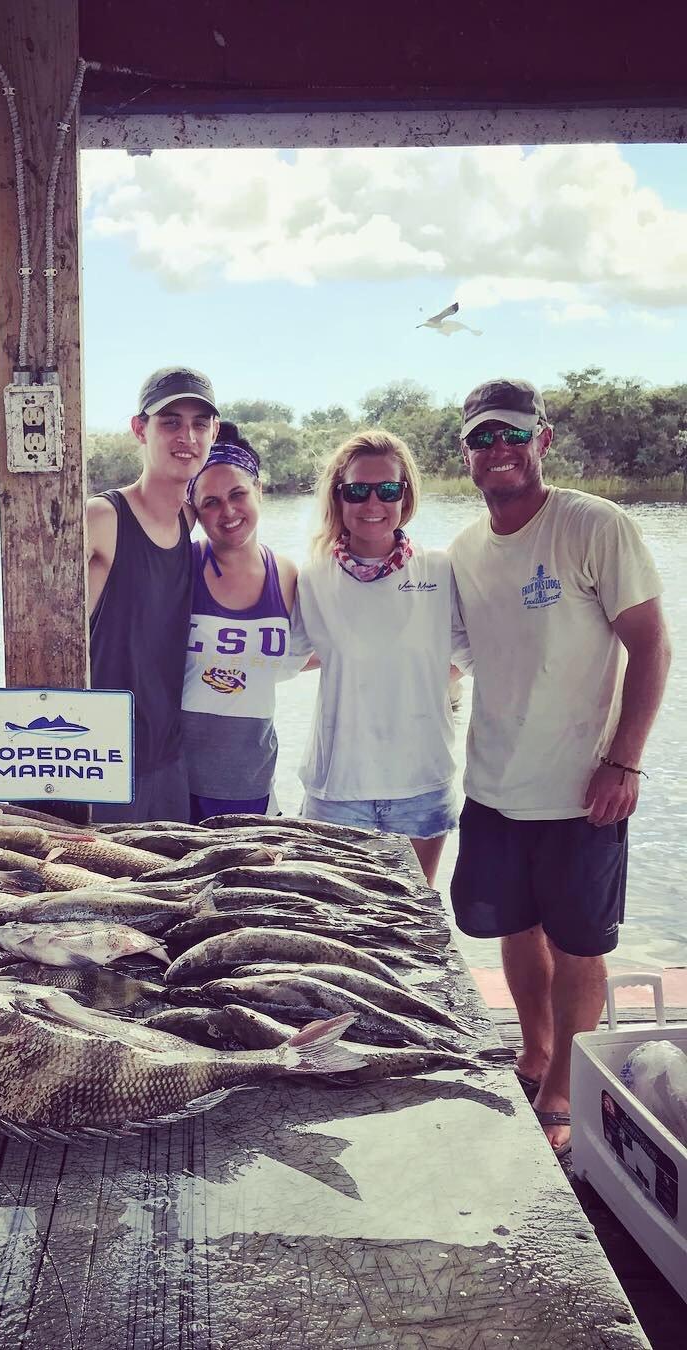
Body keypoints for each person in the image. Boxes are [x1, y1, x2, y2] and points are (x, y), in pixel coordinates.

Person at [449, 377, 671, 1156]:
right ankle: (536, 1054)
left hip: (585, 790)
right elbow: (455, 655)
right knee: (513, 925)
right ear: (467, 453)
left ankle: (565, 1089)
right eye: (482, 437)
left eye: (513, 433)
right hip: (494, 786)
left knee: (581, 943)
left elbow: (652, 644)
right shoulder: (467, 550)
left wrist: (625, 761)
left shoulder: (592, 525)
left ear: (542, 439)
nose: (498, 448)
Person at [295, 429, 457, 884]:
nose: (372, 504)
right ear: (338, 497)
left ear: (405, 496)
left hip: (421, 785)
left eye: (388, 489)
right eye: (356, 491)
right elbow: (286, 659)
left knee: (414, 925)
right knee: (332, 925)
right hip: (337, 790)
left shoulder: (441, 569)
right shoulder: (311, 579)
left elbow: (471, 653)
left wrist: (418, 681)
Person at [87, 366, 220, 823]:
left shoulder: (191, 520)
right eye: (170, 422)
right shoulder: (101, 519)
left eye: (199, 424)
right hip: (102, 762)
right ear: (140, 429)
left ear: (213, 432)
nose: (186, 436)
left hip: (168, 761)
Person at [181, 434, 304, 823]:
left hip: (253, 778)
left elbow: (300, 655)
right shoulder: (180, 567)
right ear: (194, 512)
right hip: (179, 780)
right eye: (210, 502)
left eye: (238, 494)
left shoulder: (286, 573)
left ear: (259, 491)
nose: (228, 511)